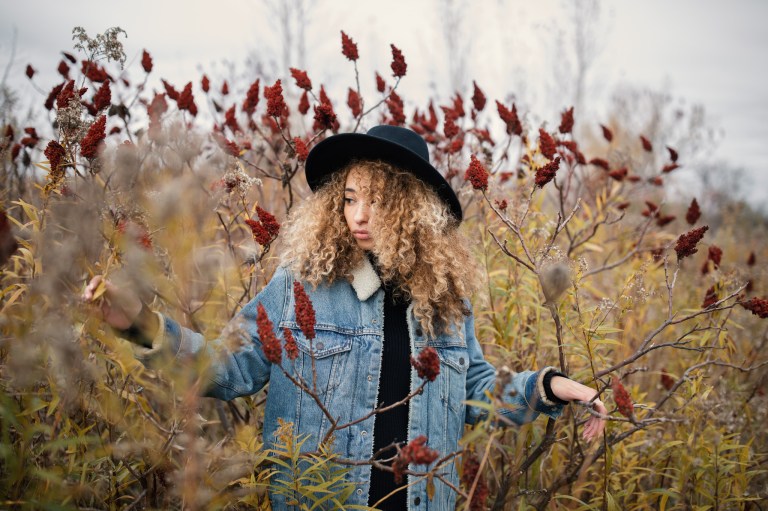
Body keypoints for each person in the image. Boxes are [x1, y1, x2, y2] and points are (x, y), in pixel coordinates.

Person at [83, 125, 606, 510]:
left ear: (413, 209)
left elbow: (474, 389)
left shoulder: (447, 302)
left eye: (378, 201)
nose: (358, 214)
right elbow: (227, 368)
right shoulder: (300, 286)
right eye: (350, 197)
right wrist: (140, 325)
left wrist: (551, 387)